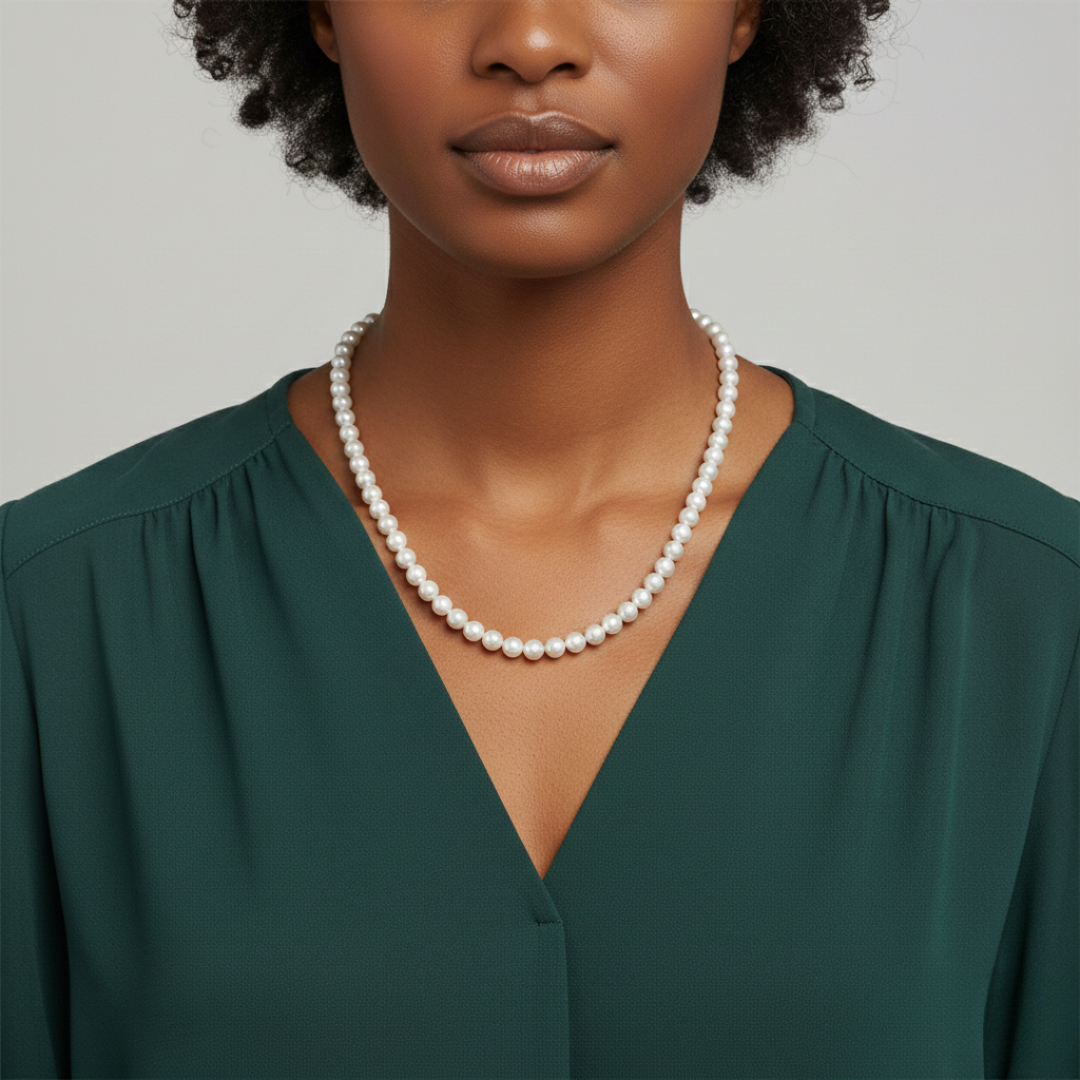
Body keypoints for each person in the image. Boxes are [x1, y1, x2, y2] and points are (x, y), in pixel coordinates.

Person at [2, 1, 1076, 1077]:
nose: (529, 38)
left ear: (747, 13)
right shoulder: (48, 622)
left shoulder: (1026, 618)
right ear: (323, 14)